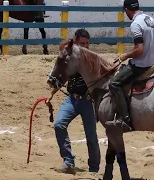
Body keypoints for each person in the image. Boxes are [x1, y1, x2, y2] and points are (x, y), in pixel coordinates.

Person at [46, 29, 101, 174]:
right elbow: (62, 77)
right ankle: (68, 162)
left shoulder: (93, 59)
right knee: (59, 124)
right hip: (71, 99)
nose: (85, 46)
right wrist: (52, 94)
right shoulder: (69, 58)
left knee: (91, 136)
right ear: (75, 41)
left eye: (87, 43)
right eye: (82, 43)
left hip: (88, 102)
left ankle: (94, 168)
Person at [106, 0, 154, 131]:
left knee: (114, 84)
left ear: (126, 10)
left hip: (141, 65)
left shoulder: (135, 24)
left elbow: (139, 50)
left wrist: (125, 56)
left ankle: (124, 119)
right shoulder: (152, 20)